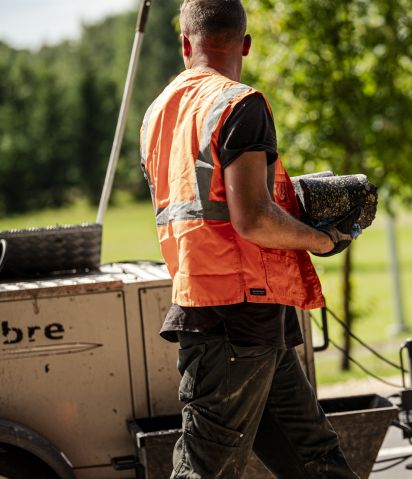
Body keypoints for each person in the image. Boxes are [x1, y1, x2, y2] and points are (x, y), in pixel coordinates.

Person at [139, 0, 359, 477]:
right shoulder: (241, 103)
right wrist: (323, 241)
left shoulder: (157, 114)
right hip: (236, 322)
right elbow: (253, 218)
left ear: (184, 44)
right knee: (204, 470)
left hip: (225, 314)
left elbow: (206, 205)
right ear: (246, 44)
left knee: (316, 459)